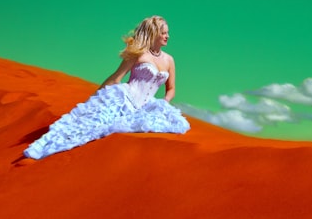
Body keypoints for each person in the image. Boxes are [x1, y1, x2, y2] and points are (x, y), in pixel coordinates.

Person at [23, 15, 190, 160]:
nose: (168, 36)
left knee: (173, 125)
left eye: (167, 32)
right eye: (164, 32)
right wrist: (95, 98)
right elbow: (116, 77)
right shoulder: (138, 54)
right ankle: (45, 148)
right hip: (123, 100)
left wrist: (164, 102)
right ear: (154, 34)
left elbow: (171, 88)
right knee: (89, 128)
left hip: (147, 107)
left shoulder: (169, 60)